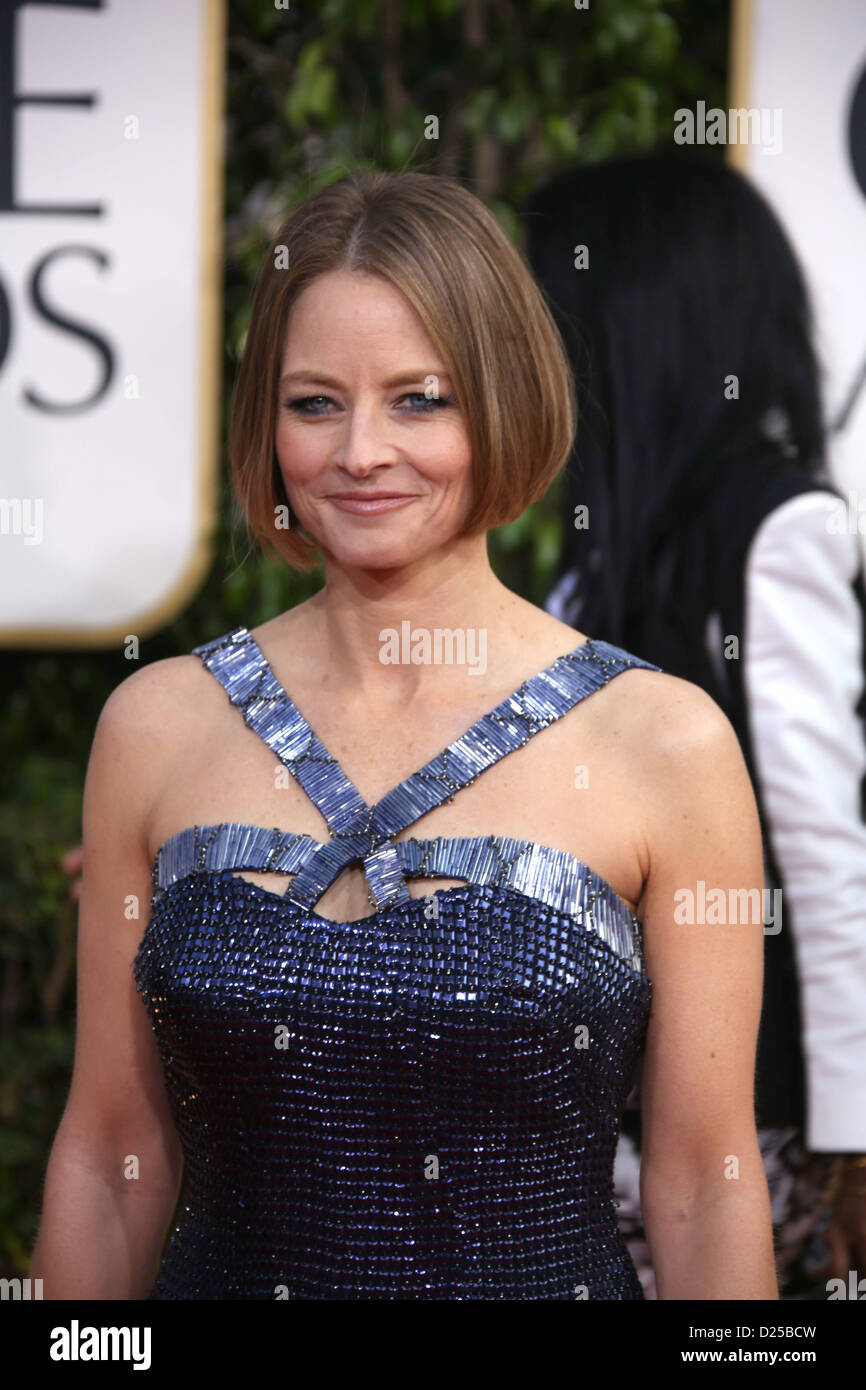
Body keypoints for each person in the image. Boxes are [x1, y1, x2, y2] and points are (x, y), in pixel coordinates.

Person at [30, 170, 777, 1300]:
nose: (360, 453)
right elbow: (108, 1158)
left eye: (418, 399)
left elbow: (702, 1182)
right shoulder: (157, 724)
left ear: (502, 398)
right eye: (314, 402)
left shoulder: (661, 744)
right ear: (262, 419)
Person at [525, 151, 866, 1297]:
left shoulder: (775, 529)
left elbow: (821, 845)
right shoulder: (594, 561)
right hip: (604, 1120)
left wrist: (850, 1131)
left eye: (549, 313)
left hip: (749, 1134)